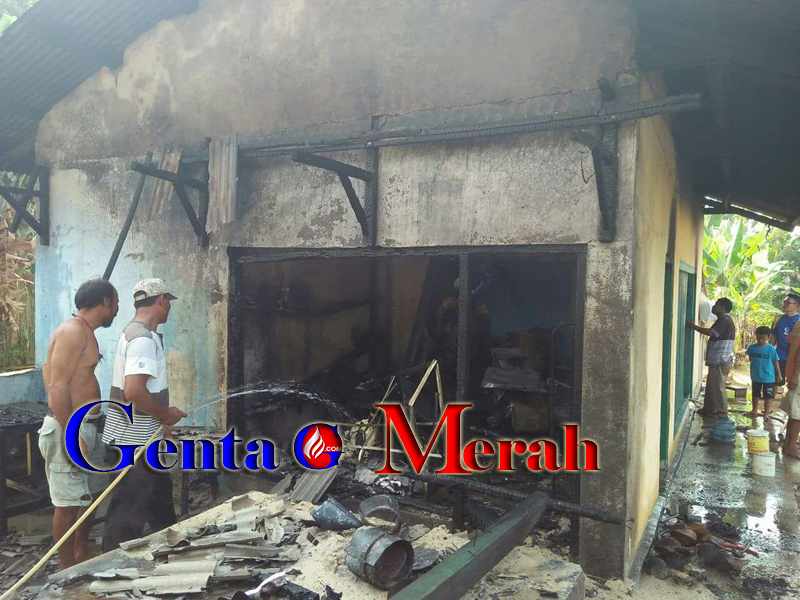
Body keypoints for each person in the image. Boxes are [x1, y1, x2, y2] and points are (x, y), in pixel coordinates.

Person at [101, 279, 187, 551]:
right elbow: (134, 391)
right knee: (127, 516)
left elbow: (145, 390)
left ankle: (170, 553)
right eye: (169, 301)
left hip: (143, 440)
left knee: (160, 503)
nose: (169, 307)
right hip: (131, 444)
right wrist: (166, 413)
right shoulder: (142, 340)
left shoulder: (137, 333)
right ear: (161, 300)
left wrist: (161, 425)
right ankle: (111, 566)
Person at [39, 279, 119, 569]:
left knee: (92, 495)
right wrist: (71, 434)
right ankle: (65, 569)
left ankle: (80, 553)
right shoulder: (72, 332)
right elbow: (56, 385)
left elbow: (48, 372)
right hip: (70, 428)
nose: (117, 309)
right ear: (105, 301)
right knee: (68, 502)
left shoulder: (85, 332)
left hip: (88, 426)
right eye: (116, 303)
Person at [686, 297, 736, 419]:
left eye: (716, 305)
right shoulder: (723, 320)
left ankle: (720, 412)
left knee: (718, 386)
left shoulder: (725, 321)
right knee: (712, 385)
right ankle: (709, 409)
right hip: (718, 359)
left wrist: (693, 326)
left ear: (722, 307)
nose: (713, 307)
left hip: (721, 359)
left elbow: (711, 332)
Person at [744, 326, 781, 419]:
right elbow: (750, 358)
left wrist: (779, 374)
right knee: (755, 393)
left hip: (769, 377)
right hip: (756, 376)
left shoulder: (771, 349)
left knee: (768, 396)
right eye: (758, 338)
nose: (760, 340)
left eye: (763, 338)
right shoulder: (752, 348)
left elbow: (775, 362)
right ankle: (754, 410)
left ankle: (766, 413)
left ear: (768, 337)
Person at [770, 293, 800, 394]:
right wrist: (769, 353)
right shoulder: (778, 319)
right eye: (784, 302)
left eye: (788, 302)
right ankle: (770, 402)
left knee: (792, 384)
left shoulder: (798, 321)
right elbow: (773, 337)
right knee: (773, 382)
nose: (785, 304)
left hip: (793, 358)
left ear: (796, 305)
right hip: (778, 357)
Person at [781, 321, 800, 459]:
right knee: (798, 414)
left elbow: (790, 346)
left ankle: (788, 444)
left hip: (794, 372)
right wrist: (796, 374)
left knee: (794, 412)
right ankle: (791, 446)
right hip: (798, 375)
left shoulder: (798, 323)